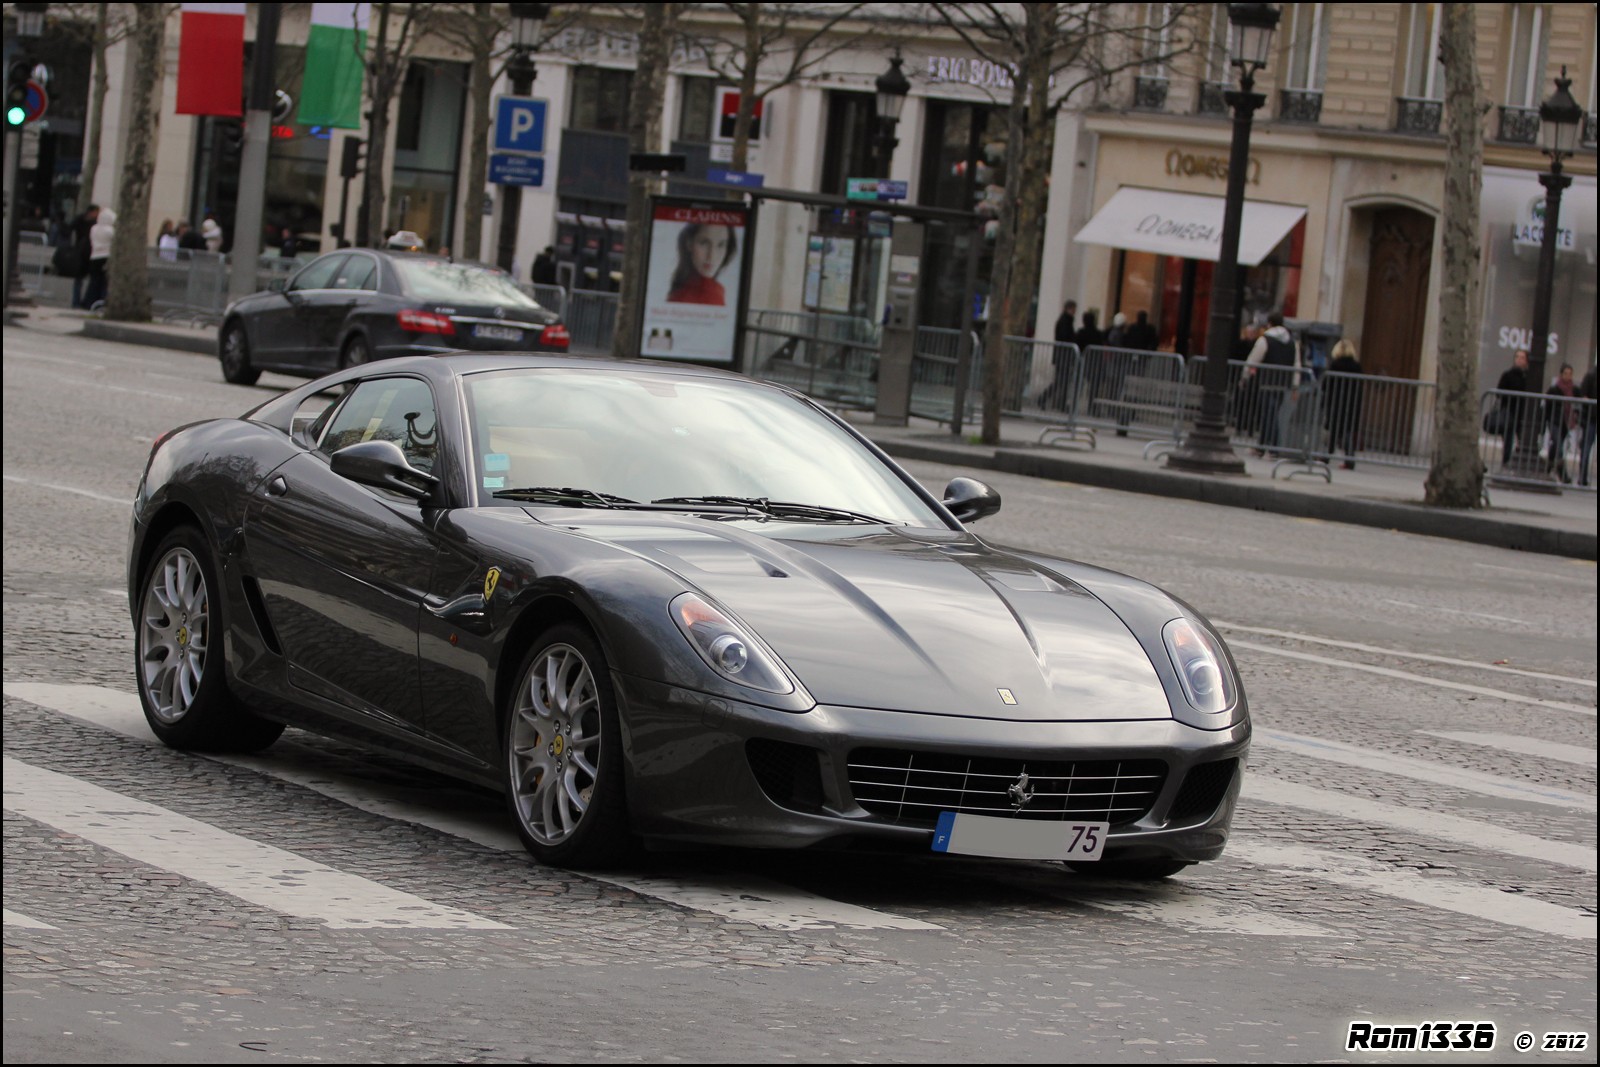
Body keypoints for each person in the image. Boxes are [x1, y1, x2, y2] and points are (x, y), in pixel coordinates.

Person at [1243, 310, 1300, 455]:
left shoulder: (1265, 340)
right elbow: (1297, 365)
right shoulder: (1293, 343)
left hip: (1267, 382)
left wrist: (1245, 377)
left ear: (1269, 323)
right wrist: (1295, 386)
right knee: (1273, 413)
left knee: (1268, 414)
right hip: (1283, 383)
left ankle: (1270, 447)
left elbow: (1252, 360)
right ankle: (1266, 446)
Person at [666, 222, 737, 306]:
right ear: (689, 243)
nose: (711, 256)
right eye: (704, 243)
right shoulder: (710, 294)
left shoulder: (715, 290)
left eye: (721, 245)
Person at [1323, 338, 1364, 469]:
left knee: (1336, 431)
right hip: (1351, 403)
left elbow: (1326, 384)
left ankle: (1328, 457)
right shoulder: (1357, 366)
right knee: (1346, 430)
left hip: (1336, 402)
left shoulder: (1335, 365)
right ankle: (1347, 459)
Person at [1494, 349, 1531, 466]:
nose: (1519, 360)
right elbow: (1499, 392)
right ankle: (1505, 463)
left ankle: (1520, 464)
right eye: (1517, 357)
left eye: (1522, 357)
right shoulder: (1507, 375)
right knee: (1508, 441)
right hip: (1509, 411)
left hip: (1523, 414)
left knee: (1524, 441)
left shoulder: (1529, 377)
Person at [1543, 363, 1578, 484]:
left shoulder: (1574, 389)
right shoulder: (1554, 389)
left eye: (1570, 374)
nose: (1568, 376)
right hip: (1554, 420)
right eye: (1565, 373)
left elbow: (1580, 401)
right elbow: (1547, 406)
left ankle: (1547, 468)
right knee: (1558, 445)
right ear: (1561, 374)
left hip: (1566, 422)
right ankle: (1563, 474)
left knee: (1555, 446)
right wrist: (1544, 422)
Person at [85, 206, 116, 310]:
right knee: (104, 282)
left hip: (94, 256)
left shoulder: (94, 229)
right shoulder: (110, 231)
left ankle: (89, 302)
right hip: (106, 256)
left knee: (94, 281)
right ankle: (102, 302)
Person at [69, 204, 98, 309]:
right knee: (79, 279)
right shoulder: (86, 221)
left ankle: (81, 301)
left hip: (86, 252)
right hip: (83, 252)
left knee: (82, 280)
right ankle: (77, 301)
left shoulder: (88, 221)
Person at [1578, 363, 1596, 488]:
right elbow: (1583, 394)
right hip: (1591, 417)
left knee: (1587, 446)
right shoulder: (1591, 375)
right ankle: (1582, 477)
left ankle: (1582, 477)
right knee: (1586, 446)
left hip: (1592, 416)